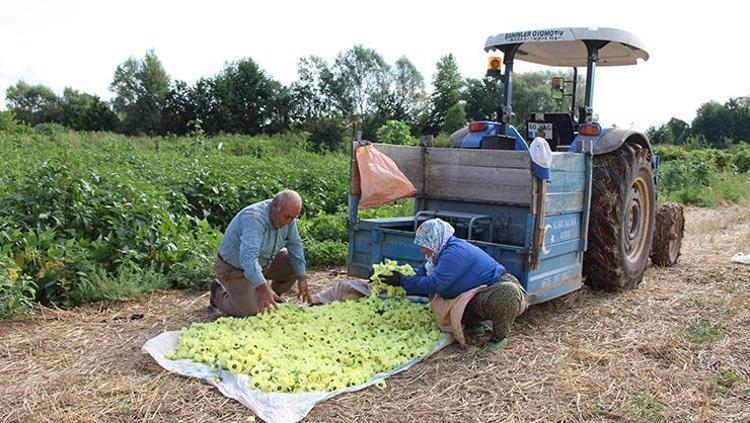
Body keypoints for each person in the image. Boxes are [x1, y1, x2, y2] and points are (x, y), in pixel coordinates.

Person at [381, 218, 527, 349]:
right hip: (473, 294)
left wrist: (402, 281)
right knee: (454, 301)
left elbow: (435, 284)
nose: (422, 249)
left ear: (435, 240)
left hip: (495, 287)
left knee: (507, 294)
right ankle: (474, 326)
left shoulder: (455, 252)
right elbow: (422, 274)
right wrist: (389, 275)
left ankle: (500, 338)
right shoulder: (438, 254)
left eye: (424, 244)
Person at [210, 189, 312, 317]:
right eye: (287, 217)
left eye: (294, 218)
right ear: (275, 206)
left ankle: (271, 297)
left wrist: (302, 278)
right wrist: (263, 288)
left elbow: (295, 246)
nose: (289, 222)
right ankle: (217, 294)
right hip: (236, 269)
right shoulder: (254, 218)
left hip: (263, 263)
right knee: (251, 312)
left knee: (291, 261)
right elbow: (248, 259)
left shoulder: (288, 218)